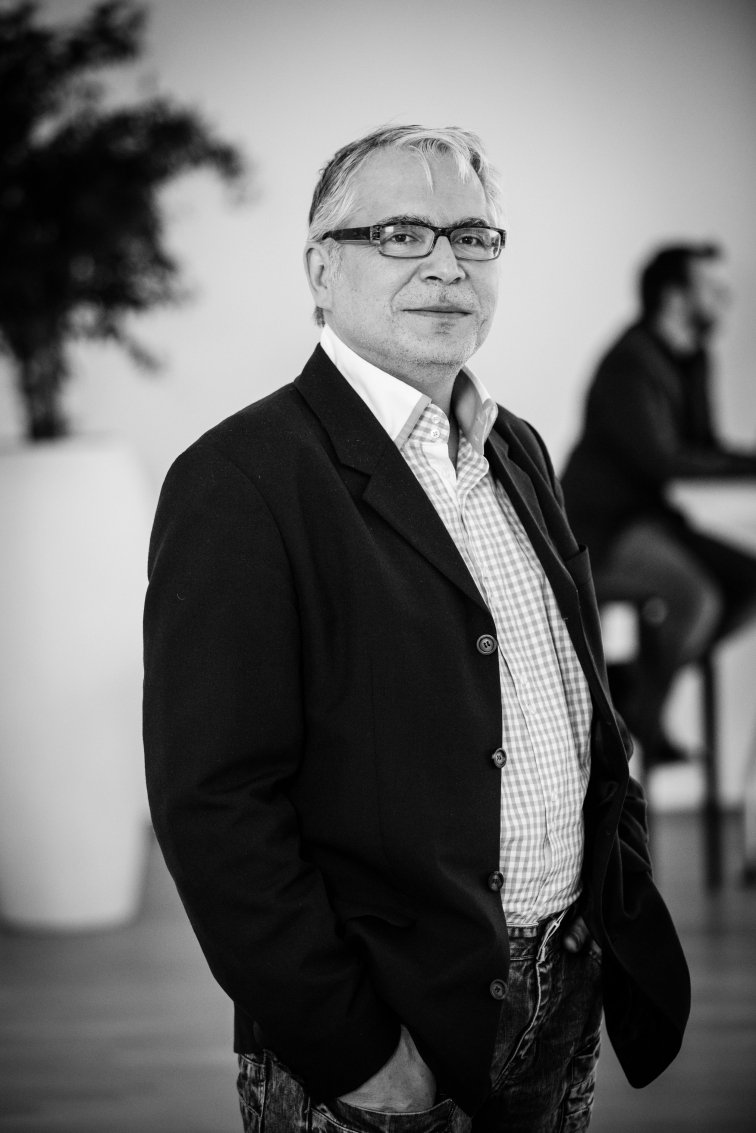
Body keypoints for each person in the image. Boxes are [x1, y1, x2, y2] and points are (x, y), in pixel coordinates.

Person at [143, 126, 690, 1133]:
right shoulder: (239, 479)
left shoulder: (516, 446)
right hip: (384, 1028)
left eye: (473, 236)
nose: (446, 264)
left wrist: (609, 893)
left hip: (563, 991)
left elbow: (580, 699)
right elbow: (214, 805)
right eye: (400, 234)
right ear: (321, 270)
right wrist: (356, 1050)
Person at [562, 245, 756, 768]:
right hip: (600, 527)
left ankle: (633, 689)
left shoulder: (693, 358)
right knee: (694, 597)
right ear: (675, 297)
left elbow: (706, 448)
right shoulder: (630, 361)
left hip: (650, 520)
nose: (726, 297)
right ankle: (638, 705)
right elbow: (663, 460)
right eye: (712, 288)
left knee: (748, 581)